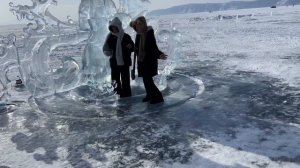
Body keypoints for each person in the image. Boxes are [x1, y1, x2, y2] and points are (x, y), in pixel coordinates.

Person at [130, 16, 167, 104]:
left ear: (143, 24)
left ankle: (158, 97)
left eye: (139, 24)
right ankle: (150, 95)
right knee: (145, 80)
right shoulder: (139, 33)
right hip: (141, 60)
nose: (137, 25)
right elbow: (132, 25)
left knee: (148, 81)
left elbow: (153, 47)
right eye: (136, 24)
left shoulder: (148, 33)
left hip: (148, 61)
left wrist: (159, 54)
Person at [103, 17, 134, 97]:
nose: (114, 29)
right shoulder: (110, 37)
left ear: (119, 27)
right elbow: (106, 48)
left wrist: (130, 47)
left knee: (125, 80)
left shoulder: (126, 37)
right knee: (115, 81)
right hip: (114, 62)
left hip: (125, 62)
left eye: (115, 27)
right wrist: (108, 52)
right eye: (112, 28)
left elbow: (133, 48)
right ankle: (116, 94)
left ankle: (127, 95)